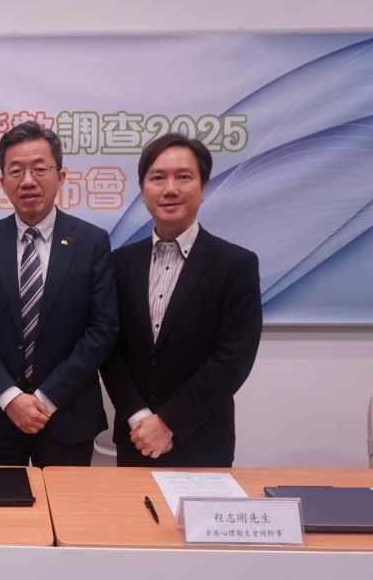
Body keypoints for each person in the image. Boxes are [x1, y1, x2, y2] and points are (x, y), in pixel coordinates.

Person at [0, 121, 119, 467]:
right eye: (16, 171)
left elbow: (102, 329)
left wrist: (47, 397)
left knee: (66, 517)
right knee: (0, 517)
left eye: (39, 169)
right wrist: (10, 397)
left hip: (68, 413)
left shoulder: (92, 241)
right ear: (2, 181)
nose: (27, 180)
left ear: (61, 176)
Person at [100, 133, 262, 467]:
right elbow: (110, 350)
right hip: (137, 437)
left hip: (201, 438)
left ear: (203, 188)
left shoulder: (235, 264)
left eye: (183, 177)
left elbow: (233, 359)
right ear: (143, 190)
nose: (169, 189)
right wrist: (140, 417)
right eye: (157, 178)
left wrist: (169, 423)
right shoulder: (119, 263)